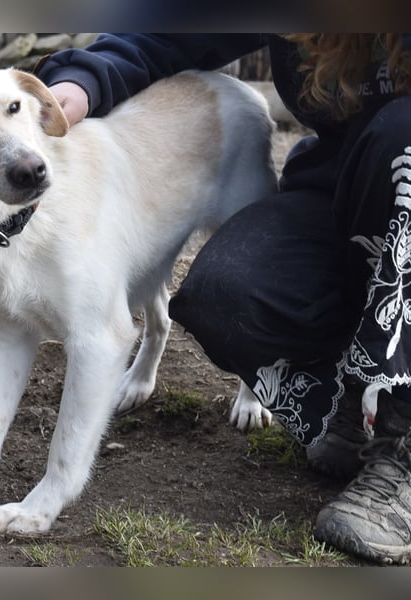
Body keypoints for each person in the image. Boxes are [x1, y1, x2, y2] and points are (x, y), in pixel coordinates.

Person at [35, 34, 411, 564]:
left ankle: (403, 446)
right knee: (226, 293)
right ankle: (349, 398)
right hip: (342, 190)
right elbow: (171, 26)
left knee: (405, 138)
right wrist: (84, 79)